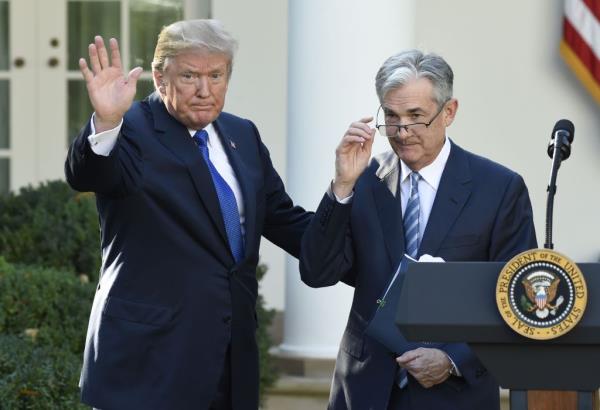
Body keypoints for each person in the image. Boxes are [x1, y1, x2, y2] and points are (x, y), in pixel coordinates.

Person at [65, 19, 311, 410]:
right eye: (190, 76)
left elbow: (282, 218)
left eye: (216, 75)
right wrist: (108, 120)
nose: (204, 89)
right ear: (160, 78)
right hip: (149, 363)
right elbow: (90, 173)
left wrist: (346, 204)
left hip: (230, 361)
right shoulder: (130, 129)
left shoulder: (242, 134)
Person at [299, 49, 537, 410]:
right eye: (391, 116)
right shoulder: (363, 182)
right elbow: (317, 272)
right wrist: (341, 187)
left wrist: (455, 359)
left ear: (449, 112)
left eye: (416, 116)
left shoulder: (499, 188)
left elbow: (517, 300)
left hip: (454, 395)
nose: (402, 131)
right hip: (364, 391)